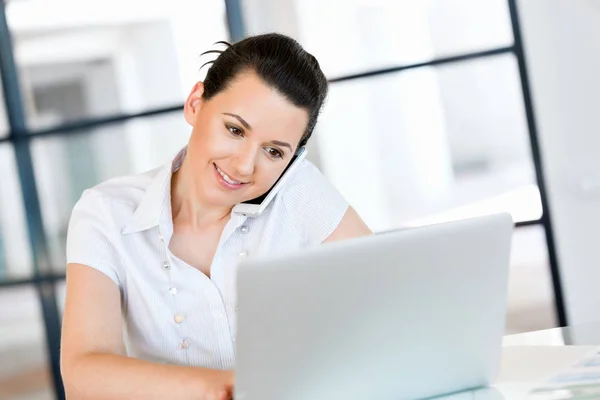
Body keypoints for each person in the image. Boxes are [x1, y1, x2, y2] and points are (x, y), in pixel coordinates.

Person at [60, 32, 371, 400]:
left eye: (273, 152)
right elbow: (83, 373)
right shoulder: (106, 213)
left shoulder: (299, 192)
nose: (243, 166)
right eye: (235, 129)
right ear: (195, 104)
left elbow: (390, 295)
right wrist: (223, 388)